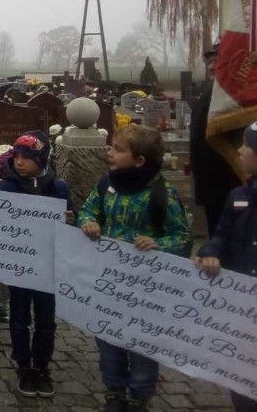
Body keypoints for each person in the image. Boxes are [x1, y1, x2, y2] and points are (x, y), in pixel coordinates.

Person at [78, 124, 193, 412]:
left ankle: (138, 395)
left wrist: (158, 244)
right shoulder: (107, 185)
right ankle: (114, 391)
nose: (110, 153)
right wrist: (88, 223)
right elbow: (90, 210)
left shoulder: (161, 194)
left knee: (143, 342)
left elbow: (182, 236)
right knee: (109, 338)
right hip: (110, 279)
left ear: (139, 160)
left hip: (146, 286)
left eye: (118, 149)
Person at [0, 131, 73, 398]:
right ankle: (23, 365)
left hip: (47, 265)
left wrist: (70, 220)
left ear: (41, 160)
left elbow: (70, 223)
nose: (19, 162)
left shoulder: (58, 188)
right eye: (16, 156)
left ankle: (41, 365)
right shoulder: (7, 186)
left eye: (26, 158)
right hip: (19, 265)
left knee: (45, 320)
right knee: (18, 318)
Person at [194, 122, 257, 412]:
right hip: (241, 305)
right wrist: (211, 252)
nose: (241, 150)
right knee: (241, 381)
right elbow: (222, 234)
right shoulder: (239, 196)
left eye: (247, 145)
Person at [189, 43, 241, 236]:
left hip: (234, 185)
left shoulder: (240, 100)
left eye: (217, 61)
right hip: (211, 188)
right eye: (209, 62)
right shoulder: (209, 96)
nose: (211, 67)